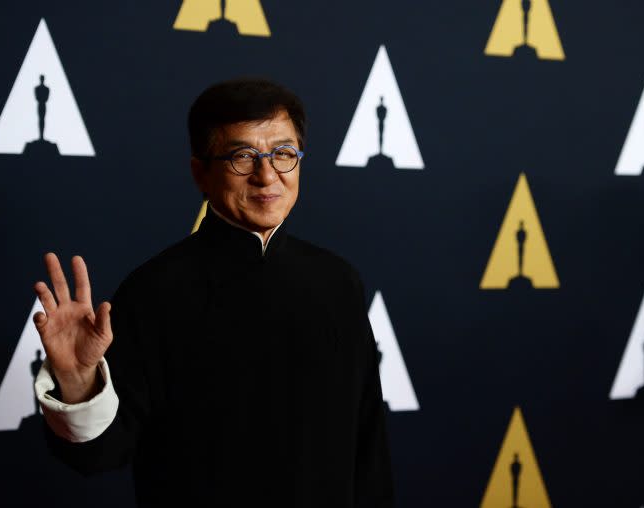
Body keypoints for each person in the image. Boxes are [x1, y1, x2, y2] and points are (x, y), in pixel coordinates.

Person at [32, 78, 395, 507]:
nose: (267, 175)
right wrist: (77, 383)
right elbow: (100, 455)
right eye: (243, 156)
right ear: (200, 172)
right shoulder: (153, 291)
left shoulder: (339, 282)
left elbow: (368, 450)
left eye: (283, 154)